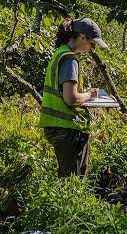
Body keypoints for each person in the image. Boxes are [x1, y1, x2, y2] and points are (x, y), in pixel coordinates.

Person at [39, 17, 108, 178]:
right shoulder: (69, 59)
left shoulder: (60, 53)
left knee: (67, 178)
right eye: (92, 44)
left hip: (59, 127)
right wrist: (89, 95)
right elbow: (70, 98)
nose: (93, 49)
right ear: (82, 37)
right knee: (72, 181)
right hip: (68, 129)